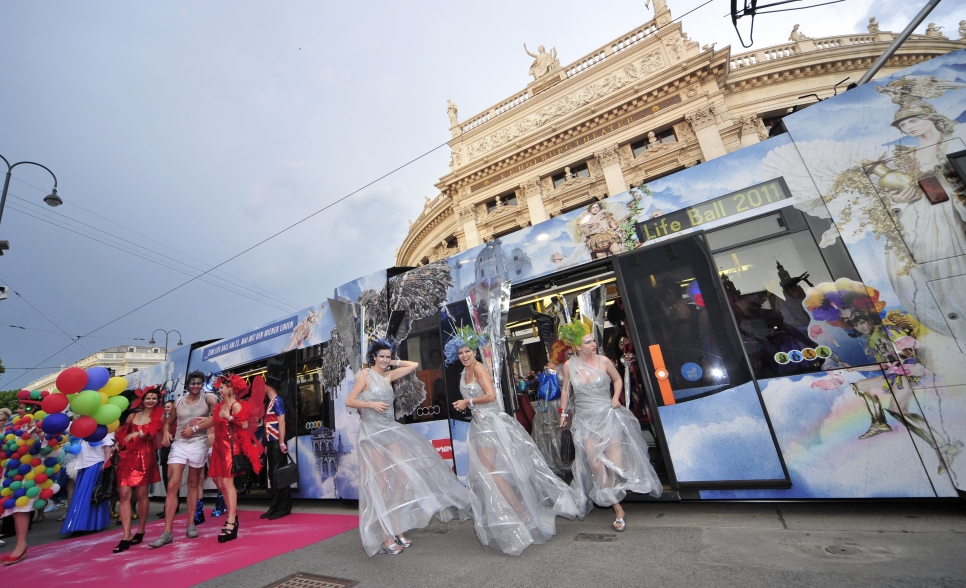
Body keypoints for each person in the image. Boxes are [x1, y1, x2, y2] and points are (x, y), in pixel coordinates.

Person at [447, 331, 582, 556]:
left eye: (467, 351)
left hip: (491, 424)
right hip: (479, 425)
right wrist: (468, 405)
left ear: (474, 351)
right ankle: (516, 511)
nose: (464, 355)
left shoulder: (479, 368)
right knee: (491, 472)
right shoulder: (465, 372)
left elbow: (490, 396)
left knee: (494, 471)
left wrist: (467, 401)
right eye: (460, 353)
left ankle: (520, 511)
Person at [345, 339, 475, 557]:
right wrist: (370, 404)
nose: (385, 360)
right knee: (382, 481)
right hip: (372, 433)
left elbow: (413, 365)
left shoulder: (387, 376)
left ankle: (396, 527)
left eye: (387, 356)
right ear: (373, 357)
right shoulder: (365, 375)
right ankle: (385, 534)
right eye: (381, 356)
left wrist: (392, 360)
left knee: (402, 476)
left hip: (388, 428)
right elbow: (350, 400)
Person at [559, 324, 662, 531]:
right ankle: (618, 510)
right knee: (597, 466)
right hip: (585, 422)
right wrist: (563, 412)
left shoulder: (604, 361)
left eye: (593, 340)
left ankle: (612, 493)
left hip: (607, 417)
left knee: (616, 466)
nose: (593, 344)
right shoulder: (570, 365)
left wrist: (615, 397)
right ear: (578, 347)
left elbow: (617, 379)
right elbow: (565, 389)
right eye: (587, 342)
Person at [149, 371, 218, 548]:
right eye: (193, 383)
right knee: (172, 485)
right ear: (187, 384)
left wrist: (194, 429)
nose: (195, 386)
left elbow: (218, 418)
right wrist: (165, 433)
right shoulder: (178, 401)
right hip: (179, 443)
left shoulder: (209, 398)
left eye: (199, 383)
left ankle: (191, 524)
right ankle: (167, 532)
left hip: (198, 442)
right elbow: (168, 421)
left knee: (193, 483)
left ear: (202, 384)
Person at [1, 401, 63, 565]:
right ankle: (20, 544)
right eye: (19, 407)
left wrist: (40, 433)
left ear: (33, 408)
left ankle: (21, 545)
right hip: (15, 472)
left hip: (32, 473)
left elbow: (52, 449)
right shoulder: (16, 426)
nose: (18, 410)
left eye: (22, 407)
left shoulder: (45, 425)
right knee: (15, 508)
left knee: (22, 507)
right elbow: (11, 447)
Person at [207, 374, 263, 542]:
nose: (220, 389)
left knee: (227, 483)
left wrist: (229, 417)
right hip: (219, 448)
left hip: (230, 449)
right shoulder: (220, 406)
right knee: (220, 482)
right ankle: (232, 516)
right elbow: (213, 422)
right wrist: (197, 425)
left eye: (222, 387)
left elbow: (245, 425)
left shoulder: (236, 405)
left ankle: (232, 519)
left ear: (231, 388)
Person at [112, 387, 164, 553]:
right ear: (142, 400)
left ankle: (141, 529)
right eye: (148, 398)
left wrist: (138, 434)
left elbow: (153, 431)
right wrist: (117, 443)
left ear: (157, 401)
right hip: (127, 458)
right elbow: (122, 433)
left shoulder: (158, 416)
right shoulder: (131, 416)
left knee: (142, 495)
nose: (150, 401)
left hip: (144, 457)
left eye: (154, 398)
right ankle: (126, 535)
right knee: (124, 494)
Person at [61, 430, 115, 535]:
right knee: (84, 494)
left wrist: (106, 462)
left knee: (89, 495)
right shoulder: (85, 425)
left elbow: (107, 444)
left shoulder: (104, 426)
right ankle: (85, 524)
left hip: (95, 463)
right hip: (83, 463)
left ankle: (83, 524)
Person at [531, 340, 574, 471]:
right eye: (568, 352)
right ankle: (563, 460)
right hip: (557, 403)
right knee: (560, 432)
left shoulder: (560, 365)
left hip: (558, 403)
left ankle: (564, 459)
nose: (571, 354)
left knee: (561, 432)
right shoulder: (559, 366)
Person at [261, 374, 291, 520]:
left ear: (269, 386)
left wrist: (281, 442)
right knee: (273, 476)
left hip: (276, 442)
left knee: (279, 476)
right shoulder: (273, 402)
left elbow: (282, 423)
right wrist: (267, 444)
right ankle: (275, 505)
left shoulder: (277, 401)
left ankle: (282, 507)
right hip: (271, 442)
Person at [155, 399, 178, 518]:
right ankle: (169, 505)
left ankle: (172, 505)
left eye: (169, 406)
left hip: (174, 449)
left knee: (172, 479)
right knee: (166, 478)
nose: (167, 408)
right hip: (164, 451)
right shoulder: (164, 421)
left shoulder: (177, 421)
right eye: (166, 407)